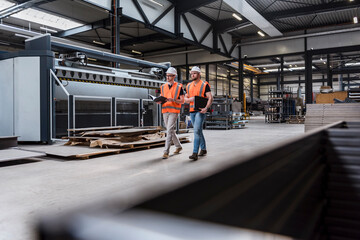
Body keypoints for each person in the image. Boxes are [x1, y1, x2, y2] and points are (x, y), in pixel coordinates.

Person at [184, 66, 213, 161]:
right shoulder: (188, 85)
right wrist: (189, 99)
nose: (192, 75)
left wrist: (206, 108)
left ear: (199, 74)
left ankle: (195, 152)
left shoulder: (205, 84)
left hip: (200, 111)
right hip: (192, 111)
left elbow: (210, 98)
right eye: (191, 73)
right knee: (199, 130)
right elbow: (185, 98)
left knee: (196, 130)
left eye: (194, 73)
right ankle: (203, 149)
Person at [157, 67, 185, 159]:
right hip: (165, 110)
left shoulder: (179, 87)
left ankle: (166, 151)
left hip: (173, 111)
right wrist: (158, 100)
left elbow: (182, 101)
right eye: (167, 76)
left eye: (169, 76)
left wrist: (173, 100)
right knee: (171, 130)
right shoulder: (163, 86)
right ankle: (179, 146)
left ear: (174, 76)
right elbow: (162, 97)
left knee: (169, 131)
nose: (167, 77)